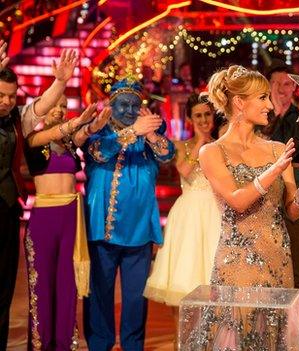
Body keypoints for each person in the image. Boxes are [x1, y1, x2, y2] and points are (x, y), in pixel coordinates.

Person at [196, 65, 299, 350]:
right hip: (237, 262)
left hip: (278, 257)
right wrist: (273, 170)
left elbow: (290, 210)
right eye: (262, 98)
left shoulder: (278, 148)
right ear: (240, 103)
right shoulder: (213, 152)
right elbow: (237, 200)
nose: (269, 105)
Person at [82, 77, 175, 351]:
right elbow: (98, 154)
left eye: (135, 105)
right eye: (123, 104)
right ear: (111, 106)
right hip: (103, 228)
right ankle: (100, 344)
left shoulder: (149, 134)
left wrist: (150, 135)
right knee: (100, 293)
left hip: (139, 230)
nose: (128, 110)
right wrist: (131, 132)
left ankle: (133, 346)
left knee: (135, 297)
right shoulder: (99, 131)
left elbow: (166, 154)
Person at [0, 45, 77, 350]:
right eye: (1, 95)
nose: (6, 101)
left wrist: (59, 82)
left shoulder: (17, 119)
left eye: (11, 96)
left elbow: (39, 108)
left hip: (6, 208)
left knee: (4, 290)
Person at [23, 94, 111, 350]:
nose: (59, 110)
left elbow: (82, 135)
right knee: (42, 283)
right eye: (54, 106)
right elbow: (63, 132)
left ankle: (64, 343)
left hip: (71, 216)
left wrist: (92, 126)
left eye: (63, 106)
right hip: (45, 219)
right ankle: (41, 344)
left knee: (66, 283)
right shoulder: (33, 137)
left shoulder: (69, 143)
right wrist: (78, 123)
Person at [144, 92, 220, 344]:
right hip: (187, 216)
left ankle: (208, 343)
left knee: (210, 283)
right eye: (197, 115)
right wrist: (201, 141)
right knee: (182, 282)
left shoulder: (221, 146)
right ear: (190, 118)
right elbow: (186, 171)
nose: (203, 119)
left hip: (215, 215)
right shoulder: (180, 145)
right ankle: (181, 342)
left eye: (207, 114)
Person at [261, 59, 299, 301]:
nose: (282, 89)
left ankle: (294, 330)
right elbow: (259, 145)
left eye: (287, 84)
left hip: (298, 193)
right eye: (276, 84)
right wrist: (273, 110)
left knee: (297, 269)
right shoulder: (261, 115)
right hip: (265, 195)